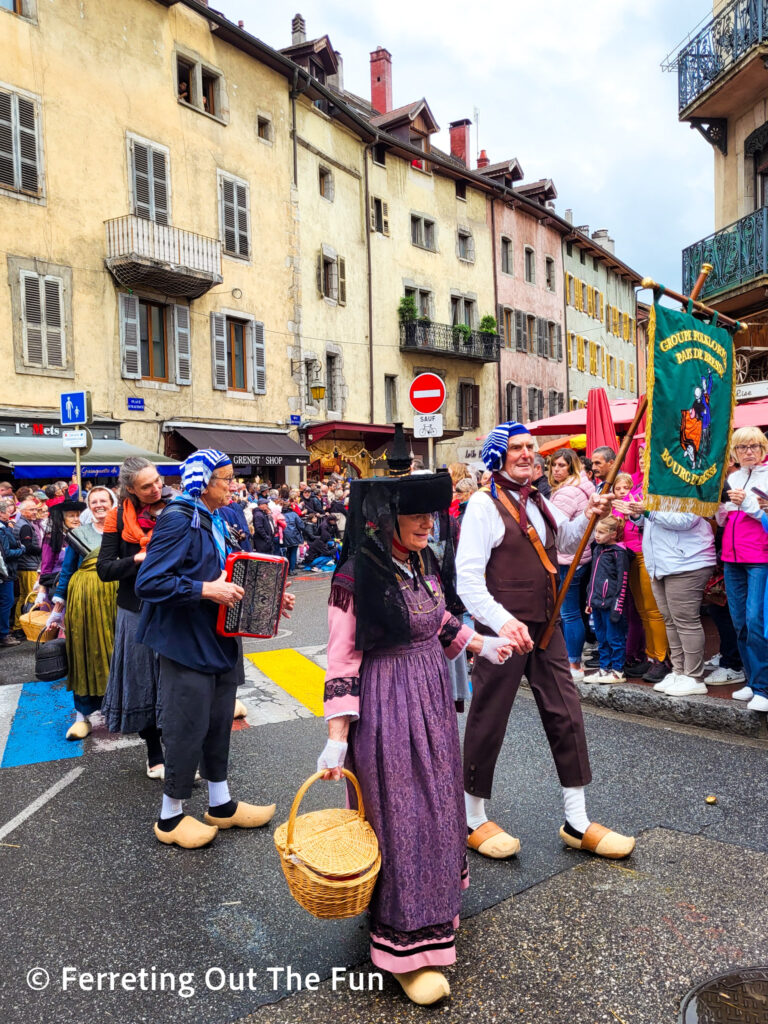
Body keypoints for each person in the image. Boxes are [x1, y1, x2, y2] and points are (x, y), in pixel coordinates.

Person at [318, 473, 512, 1005]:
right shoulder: (356, 575)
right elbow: (341, 658)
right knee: (403, 815)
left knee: (437, 808)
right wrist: (337, 736)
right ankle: (404, 946)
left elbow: (441, 621)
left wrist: (481, 644)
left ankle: (434, 911)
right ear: (385, 518)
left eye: (433, 514)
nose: (430, 523)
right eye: (418, 515)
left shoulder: (422, 562)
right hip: (386, 707)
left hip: (429, 698)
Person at [456, 421, 635, 863]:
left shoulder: (539, 499)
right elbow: (467, 580)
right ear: (499, 455)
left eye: (530, 447)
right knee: (488, 716)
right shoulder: (481, 505)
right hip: (506, 629)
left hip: (548, 624)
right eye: (516, 447)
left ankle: (577, 820)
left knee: (566, 712)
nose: (526, 454)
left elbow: (564, 542)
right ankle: (471, 818)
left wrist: (593, 512)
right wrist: (501, 622)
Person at [135, 449, 294, 849]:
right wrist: (205, 590)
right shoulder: (178, 519)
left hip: (218, 637)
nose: (234, 486)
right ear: (203, 483)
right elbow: (149, 583)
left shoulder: (212, 518)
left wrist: (271, 597)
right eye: (225, 479)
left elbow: (227, 572)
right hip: (186, 643)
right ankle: (169, 818)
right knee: (186, 728)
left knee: (218, 723)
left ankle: (220, 805)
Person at [98, 458, 171, 777]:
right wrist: (138, 559)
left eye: (158, 481)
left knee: (174, 681)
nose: (156, 489)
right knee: (144, 683)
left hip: (173, 604)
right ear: (130, 489)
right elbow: (104, 569)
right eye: (146, 486)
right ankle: (154, 753)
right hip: (135, 609)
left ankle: (180, 748)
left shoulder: (176, 505)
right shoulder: (116, 517)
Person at [46, 488, 119, 739]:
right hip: (84, 602)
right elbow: (66, 571)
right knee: (84, 654)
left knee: (117, 655)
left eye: (104, 501)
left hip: (117, 602)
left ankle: (119, 710)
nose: (99, 505)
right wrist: (56, 610)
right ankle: (82, 716)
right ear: (89, 506)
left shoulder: (124, 531)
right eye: (94, 501)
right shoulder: (78, 534)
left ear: (113, 503)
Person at [628, 500, 717, 698]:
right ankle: (678, 671)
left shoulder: (691, 483)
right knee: (669, 620)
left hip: (687, 562)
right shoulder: (659, 485)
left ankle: (694, 677)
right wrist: (637, 515)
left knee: (686, 621)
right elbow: (652, 522)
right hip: (661, 562)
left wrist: (648, 511)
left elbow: (685, 520)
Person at [715, 427, 768, 710]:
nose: (750, 451)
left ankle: (764, 687)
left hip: (760, 557)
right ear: (734, 451)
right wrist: (720, 509)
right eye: (743, 447)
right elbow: (726, 521)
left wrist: (750, 505)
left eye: (755, 446)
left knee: (757, 621)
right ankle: (752, 680)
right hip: (732, 558)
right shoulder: (733, 477)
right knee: (740, 623)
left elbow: (761, 516)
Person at [547, 449, 595, 681]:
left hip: (568, 558)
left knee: (569, 613)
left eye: (561, 465)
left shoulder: (567, 492)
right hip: (578, 556)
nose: (556, 469)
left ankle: (573, 662)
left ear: (571, 467)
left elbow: (557, 528)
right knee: (571, 612)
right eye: (554, 465)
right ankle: (572, 660)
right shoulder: (582, 486)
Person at [583, 517, 630, 684]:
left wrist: (617, 607)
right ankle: (604, 669)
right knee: (601, 637)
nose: (597, 535)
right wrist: (589, 600)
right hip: (597, 603)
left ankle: (617, 670)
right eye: (596, 531)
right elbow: (593, 577)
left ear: (613, 534)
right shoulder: (598, 549)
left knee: (614, 637)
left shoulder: (619, 553)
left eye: (601, 532)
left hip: (611, 605)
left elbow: (622, 581)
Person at [12, 497, 44, 636]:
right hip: (28, 565)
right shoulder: (25, 526)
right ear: (23, 511)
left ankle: (19, 626)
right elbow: (29, 547)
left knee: (24, 596)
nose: (35, 512)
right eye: (31, 509)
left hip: (24, 564)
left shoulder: (23, 523)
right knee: (32, 597)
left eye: (36, 509)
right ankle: (28, 627)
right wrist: (45, 550)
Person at [0, 497, 24, 648]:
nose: (9, 514)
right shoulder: (2, 529)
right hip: (4, 573)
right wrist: (22, 549)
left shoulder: (4, 527)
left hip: (5, 572)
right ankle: (3, 634)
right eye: (7, 511)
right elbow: (7, 553)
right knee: (6, 601)